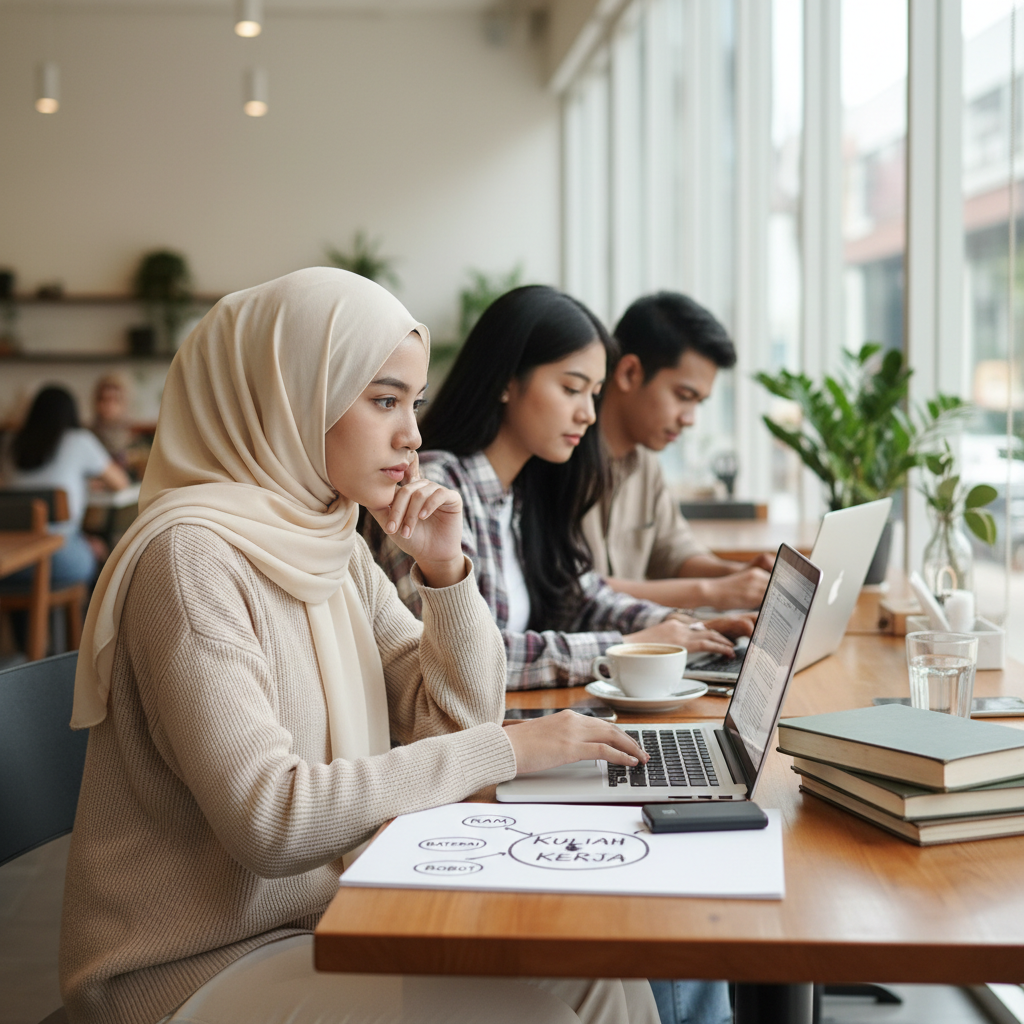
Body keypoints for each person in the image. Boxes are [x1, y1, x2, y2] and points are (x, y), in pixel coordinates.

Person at [59, 268, 658, 1024]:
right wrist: (511, 751)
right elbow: (271, 822)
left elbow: (454, 719)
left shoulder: (330, 542)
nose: (411, 434)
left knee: (610, 979)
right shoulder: (190, 559)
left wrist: (443, 572)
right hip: (191, 967)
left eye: (414, 403)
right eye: (383, 401)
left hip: (331, 919)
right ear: (290, 397)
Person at [367, 285, 753, 690]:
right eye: (571, 389)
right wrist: (628, 645)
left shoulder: (524, 491)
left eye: (594, 394)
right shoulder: (432, 489)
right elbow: (470, 655)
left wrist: (682, 628)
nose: (588, 414)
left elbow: (583, 595)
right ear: (507, 381)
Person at [583, 292, 774, 611]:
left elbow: (674, 552)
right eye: (683, 395)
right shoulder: (560, 457)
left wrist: (739, 575)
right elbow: (575, 592)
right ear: (630, 373)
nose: (689, 419)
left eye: (698, 402)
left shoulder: (644, 462)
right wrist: (713, 592)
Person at [1, 385, 129, 587]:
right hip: (58, 556)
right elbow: (120, 482)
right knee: (96, 547)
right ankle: (84, 618)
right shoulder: (80, 441)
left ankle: (34, 618)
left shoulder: (9, 442)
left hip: (10, 558)